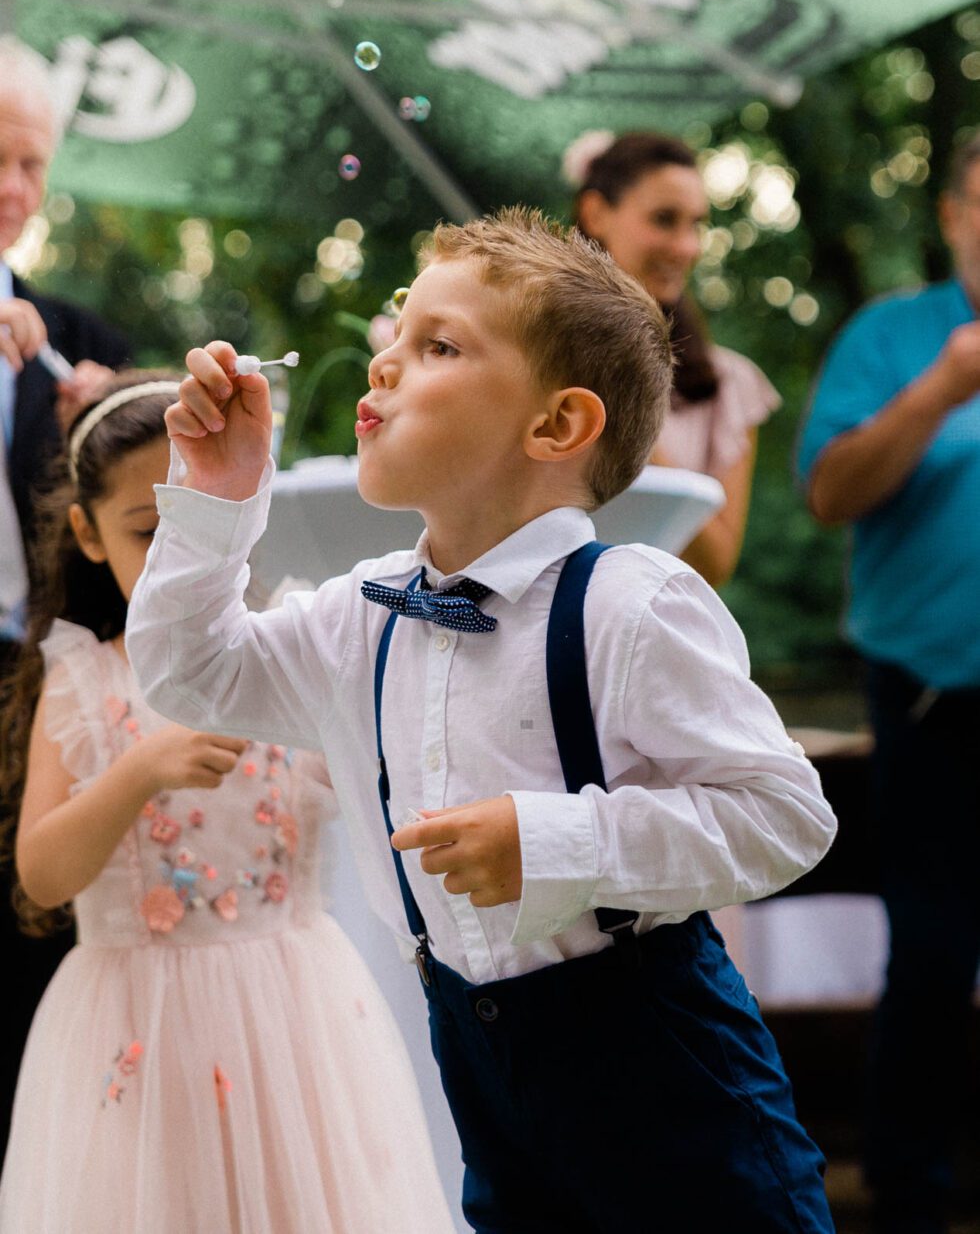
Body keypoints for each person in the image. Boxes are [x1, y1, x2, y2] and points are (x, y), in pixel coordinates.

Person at [127, 208, 838, 1234]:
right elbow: (188, 672)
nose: (382, 363)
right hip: (493, 1099)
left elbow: (784, 817)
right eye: (395, 333)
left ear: (555, 426)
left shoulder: (627, 602)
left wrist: (554, 842)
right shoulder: (356, 613)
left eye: (437, 345)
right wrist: (219, 495)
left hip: (676, 1108)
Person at [0, 371, 457, 1234]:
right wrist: (138, 771)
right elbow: (43, 875)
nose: (179, 559)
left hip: (296, 1014)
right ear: (87, 535)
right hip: (137, 1028)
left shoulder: (292, 649)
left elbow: (378, 783)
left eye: (197, 526)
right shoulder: (83, 683)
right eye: (148, 533)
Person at [797, 136, 980, 1234]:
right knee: (931, 951)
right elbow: (827, 491)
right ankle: (905, 1196)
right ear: (955, 213)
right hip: (927, 697)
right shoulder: (891, 337)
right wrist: (942, 390)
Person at [0, 34, 130, 1153]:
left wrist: (111, 408)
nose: (12, 188)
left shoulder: (78, 339)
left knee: (36, 962)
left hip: (45, 692)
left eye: (32, 163)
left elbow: (157, 502)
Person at [568, 129, 780, 586]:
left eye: (696, 224)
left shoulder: (729, 383)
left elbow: (715, 564)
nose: (686, 247)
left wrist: (624, 405)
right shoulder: (521, 358)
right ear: (596, 213)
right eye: (664, 219)